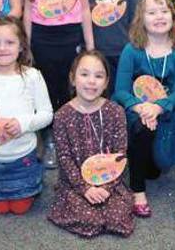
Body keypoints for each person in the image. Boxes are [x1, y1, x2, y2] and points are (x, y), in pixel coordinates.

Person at [23, 0, 94, 168]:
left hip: (71, 35)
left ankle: (72, 142)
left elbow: (85, 8)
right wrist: (27, 46)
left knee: (70, 90)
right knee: (46, 92)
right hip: (42, 38)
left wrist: (90, 47)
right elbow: (28, 12)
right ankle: (50, 141)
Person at [113, 0, 175, 217]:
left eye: (164, 11)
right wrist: (141, 108)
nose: (159, 16)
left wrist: (157, 108)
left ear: (173, 17)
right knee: (142, 128)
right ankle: (138, 192)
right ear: (141, 18)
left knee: (156, 170)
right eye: (152, 12)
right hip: (137, 113)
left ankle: (142, 161)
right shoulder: (132, 50)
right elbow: (121, 91)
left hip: (167, 113)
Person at [0, 17, 53, 215]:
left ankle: (29, 184)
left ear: (21, 45)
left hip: (23, 156)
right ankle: (1, 189)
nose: (2, 48)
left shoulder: (32, 76)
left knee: (20, 208)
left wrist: (22, 124)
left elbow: (47, 114)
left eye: (9, 42)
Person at [48, 50, 134, 237]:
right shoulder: (62, 115)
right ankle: (85, 207)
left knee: (117, 217)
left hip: (109, 181)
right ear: (73, 79)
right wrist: (85, 188)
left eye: (98, 76)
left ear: (106, 83)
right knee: (90, 220)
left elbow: (120, 155)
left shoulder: (116, 112)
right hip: (75, 184)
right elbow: (64, 158)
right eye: (84, 74)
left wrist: (106, 187)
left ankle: (105, 201)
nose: (91, 81)